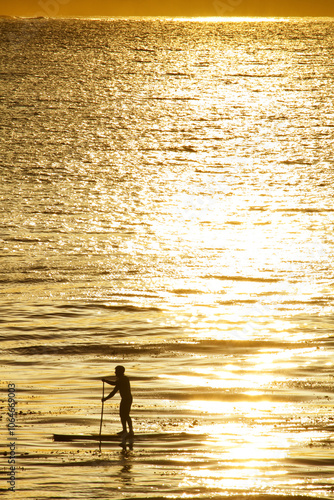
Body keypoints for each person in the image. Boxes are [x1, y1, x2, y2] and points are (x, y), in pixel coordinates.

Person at [102, 365, 133, 437]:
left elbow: (114, 384)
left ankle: (131, 431)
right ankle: (124, 430)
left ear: (120, 372)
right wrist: (105, 399)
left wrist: (105, 381)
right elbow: (113, 392)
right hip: (124, 399)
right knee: (122, 415)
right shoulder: (119, 381)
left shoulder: (124, 379)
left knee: (126, 415)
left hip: (127, 399)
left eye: (116, 371)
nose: (115, 372)